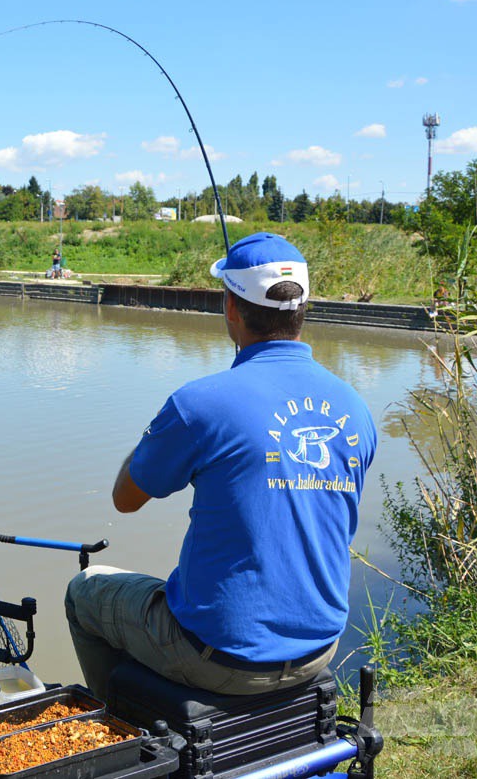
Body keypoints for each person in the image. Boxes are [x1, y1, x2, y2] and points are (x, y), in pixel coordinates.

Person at [65, 232, 376, 700]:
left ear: (230, 307)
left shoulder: (200, 404)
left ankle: (120, 722)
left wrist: (155, 438)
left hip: (217, 656)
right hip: (319, 650)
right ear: (303, 307)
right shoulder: (355, 406)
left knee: (85, 591)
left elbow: (125, 500)